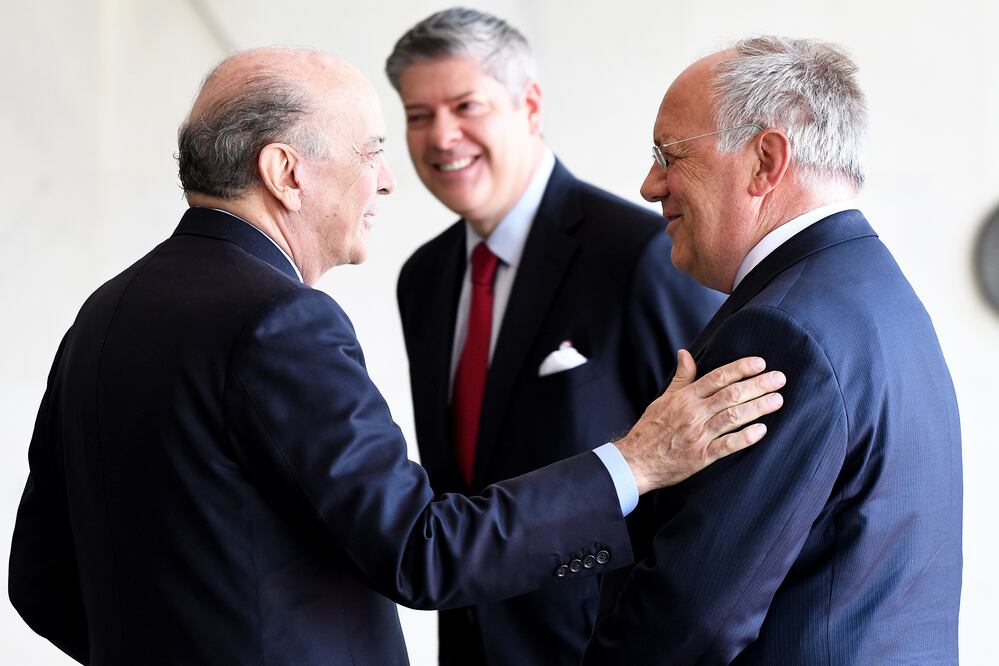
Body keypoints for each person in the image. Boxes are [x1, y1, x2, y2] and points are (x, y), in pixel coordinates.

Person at [7, 47, 786, 665]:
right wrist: (633, 463)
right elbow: (420, 550)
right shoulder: (283, 322)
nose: (386, 179)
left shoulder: (105, 312)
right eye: (372, 150)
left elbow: (39, 580)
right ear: (286, 174)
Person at [584, 36, 963, 665]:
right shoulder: (881, 295)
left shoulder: (783, 331)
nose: (651, 185)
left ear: (766, 161)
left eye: (667, 154)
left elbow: (691, 616)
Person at [385, 9, 724, 664]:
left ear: (529, 105)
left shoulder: (642, 254)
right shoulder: (421, 280)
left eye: (465, 105)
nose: (441, 136)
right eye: (418, 115)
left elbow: (713, 479)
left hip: (606, 647)